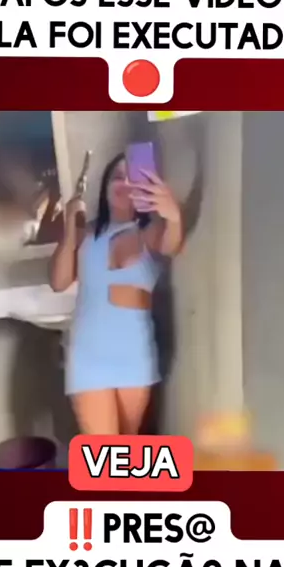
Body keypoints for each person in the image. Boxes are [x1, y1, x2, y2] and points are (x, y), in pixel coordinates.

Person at [49, 152, 183, 435]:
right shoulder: (85, 234)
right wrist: (70, 229)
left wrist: (173, 215)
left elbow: (172, 244)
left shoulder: (150, 232)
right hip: (88, 356)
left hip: (135, 356)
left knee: (126, 447)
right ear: (105, 186)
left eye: (131, 178)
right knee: (104, 450)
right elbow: (59, 282)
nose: (123, 183)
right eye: (117, 177)